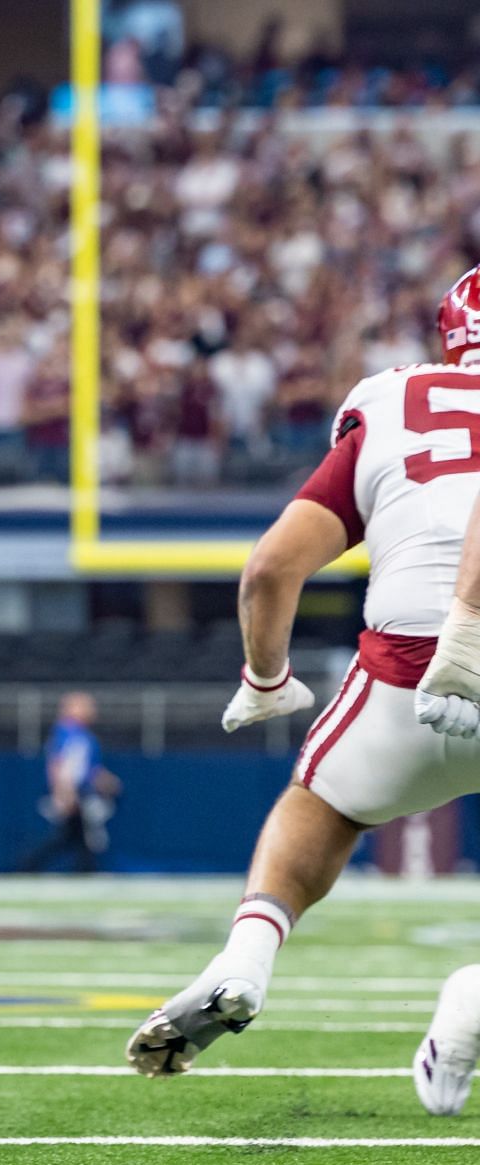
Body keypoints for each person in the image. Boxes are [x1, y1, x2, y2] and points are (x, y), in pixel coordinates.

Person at [127, 265, 480, 1080]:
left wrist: (265, 677)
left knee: (319, 807)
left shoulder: (393, 403)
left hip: (406, 679)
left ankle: (247, 955)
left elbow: (269, 571)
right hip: (454, 646)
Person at [18, 692, 120, 873]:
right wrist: (66, 794)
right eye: (86, 705)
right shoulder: (73, 734)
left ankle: (85, 870)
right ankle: (27, 866)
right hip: (74, 794)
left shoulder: (71, 734)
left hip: (76, 793)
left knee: (75, 838)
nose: (92, 710)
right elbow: (64, 767)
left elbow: (87, 769)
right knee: (70, 838)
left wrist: (106, 780)